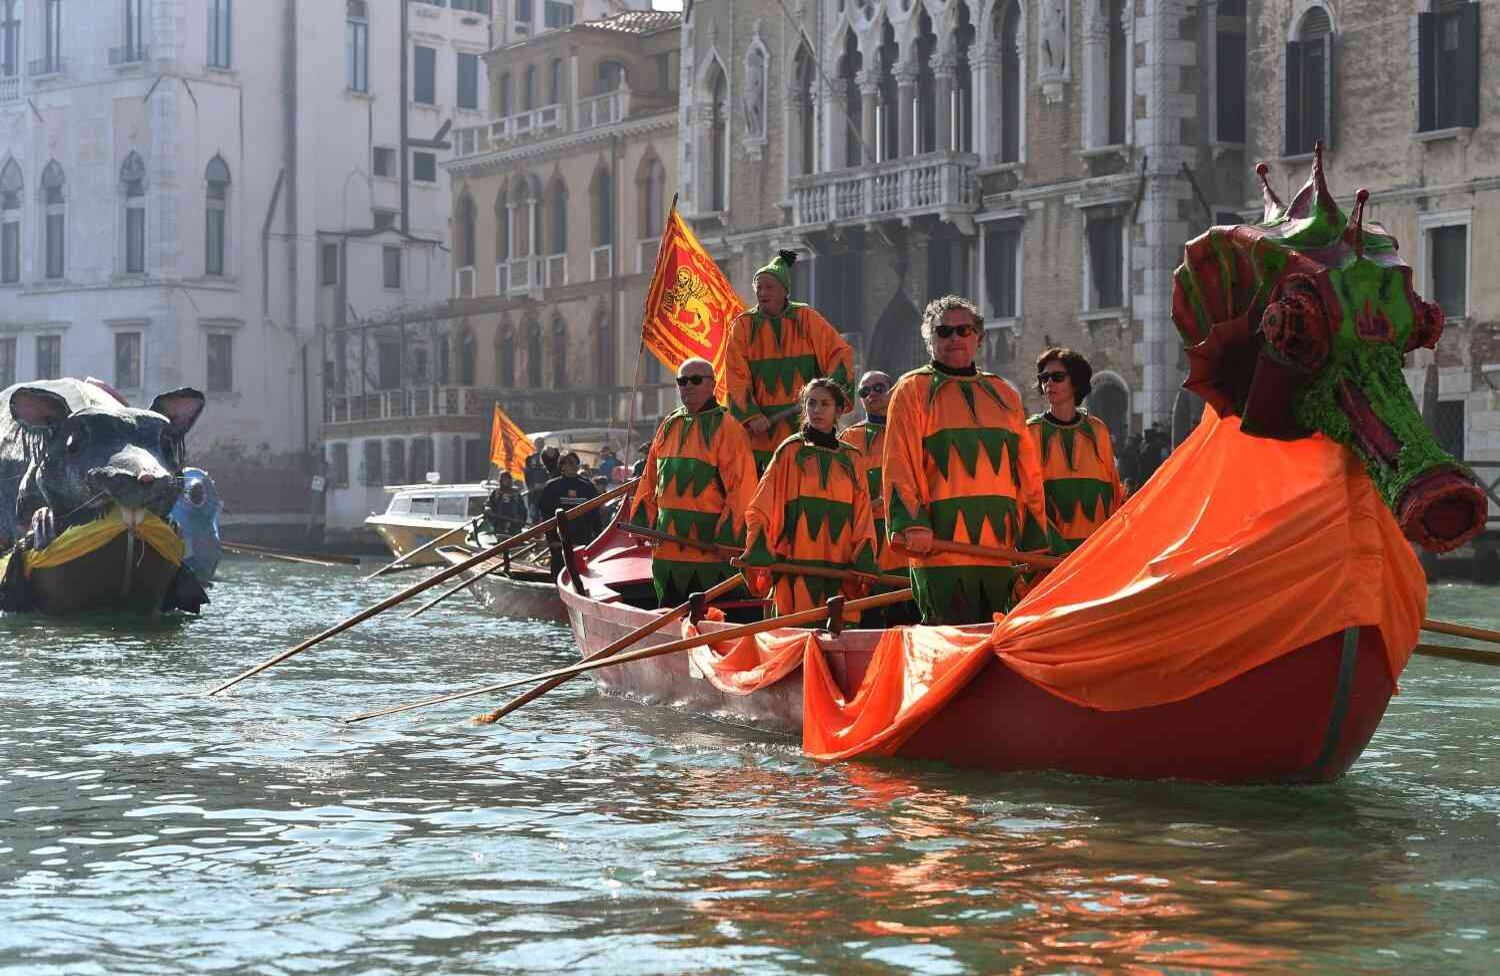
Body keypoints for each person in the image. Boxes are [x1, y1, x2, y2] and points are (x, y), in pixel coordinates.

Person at [882, 295, 1054, 625]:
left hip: (999, 553)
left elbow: (1027, 472)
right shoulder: (911, 390)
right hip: (941, 552)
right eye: (943, 331)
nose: (954, 339)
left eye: (963, 330)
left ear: (977, 336)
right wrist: (913, 524)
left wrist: (1034, 536)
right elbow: (899, 463)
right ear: (929, 338)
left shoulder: (1004, 393)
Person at [742, 378, 878, 622]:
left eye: (824, 404)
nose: (816, 410)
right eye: (811, 403)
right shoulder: (790, 450)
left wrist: (864, 558)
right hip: (795, 568)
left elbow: (863, 515)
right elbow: (761, 503)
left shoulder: (852, 457)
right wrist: (758, 544)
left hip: (840, 571)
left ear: (838, 409)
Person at [630, 357, 758, 608]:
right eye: (682, 381)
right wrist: (642, 520)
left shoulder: (729, 428)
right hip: (669, 552)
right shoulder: (669, 424)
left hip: (712, 555)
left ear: (712, 384)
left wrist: (729, 539)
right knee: (670, 616)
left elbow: (742, 489)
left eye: (696, 380)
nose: (688, 386)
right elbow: (650, 478)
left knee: (720, 618)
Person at [725, 249, 855, 473]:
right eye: (759, 288)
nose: (762, 292)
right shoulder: (743, 326)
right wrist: (752, 416)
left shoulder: (807, 318)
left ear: (785, 291)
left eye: (769, 287)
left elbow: (839, 354)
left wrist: (827, 398)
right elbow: (736, 375)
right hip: (761, 436)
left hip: (807, 429)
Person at [1026, 348, 1125, 552]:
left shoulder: (1098, 430)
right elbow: (1025, 500)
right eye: (1044, 378)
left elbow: (1113, 491)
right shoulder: (1031, 431)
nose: (1048, 383)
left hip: (1095, 553)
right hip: (1049, 559)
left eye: (1057, 377)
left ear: (1076, 382)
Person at [839, 370, 916, 625]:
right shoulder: (850, 438)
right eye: (864, 391)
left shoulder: (912, 430)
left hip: (910, 544)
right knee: (872, 620)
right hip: (870, 545)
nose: (871, 394)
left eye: (878, 388)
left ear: (892, 391)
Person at [535, 451, 602, 578]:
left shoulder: (588, 487)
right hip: (560, 541)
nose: (574, 465)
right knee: (559, 572)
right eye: (570, 462)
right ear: (562, 466)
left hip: (583, 540)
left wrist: (597, 539)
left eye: (576, 462)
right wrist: (552, 539)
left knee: (583, 573)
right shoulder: (552, 487)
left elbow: (595, 516)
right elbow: (546, 515)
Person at [483, 472, 529, 539]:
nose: (508, 481)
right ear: (501, 481)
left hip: (514, 524)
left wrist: (521, 520)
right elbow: (488, 504)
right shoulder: (496, 493)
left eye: (509, 479)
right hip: (500, 524)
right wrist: (487, 508)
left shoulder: (516, 493)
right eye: (505, 479)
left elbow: (523, 509)